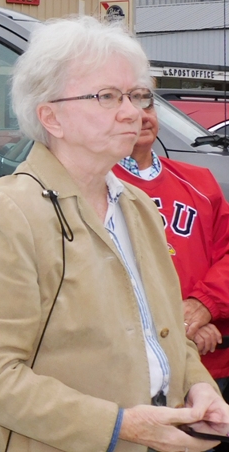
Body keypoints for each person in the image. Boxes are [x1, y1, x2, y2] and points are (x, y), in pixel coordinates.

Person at [0, 15, 229, 452]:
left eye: (137, 95)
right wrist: (121, 426)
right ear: (52, 117)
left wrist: (200, 389)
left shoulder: (138, 206)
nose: (132, 112)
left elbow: (164, 333)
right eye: (107, 96)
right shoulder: (7, 211)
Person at [116, 101, 229, 390]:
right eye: (127, 105)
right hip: (131, 369)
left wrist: (203, 304)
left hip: (209, 361)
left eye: (147, 104)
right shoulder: (91, 187)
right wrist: (174, 324)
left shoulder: (200, 181)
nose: (142, 116)